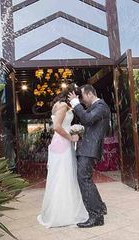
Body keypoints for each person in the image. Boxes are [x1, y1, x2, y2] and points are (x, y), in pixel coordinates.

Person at [37, 84, 88, 228]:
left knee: (60, 175)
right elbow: (57, 127)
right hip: (63, 143)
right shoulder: (64, 106)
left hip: (59, 142)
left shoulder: (58, 104)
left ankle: (60, 210)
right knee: (64, 176)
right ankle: (64, 213)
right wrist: (70, 137)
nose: (77, 99)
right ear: (71, 94)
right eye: (77, 96)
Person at [68, 84, 110, 228]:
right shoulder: (96, 106)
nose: (82, 100)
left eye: (83, 96)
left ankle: (96, 215)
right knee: (86, 179)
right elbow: (88, 121)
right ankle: (100, 207)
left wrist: (75, 103)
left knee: (84, 180)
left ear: (90, 94)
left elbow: (86, 119)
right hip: (87, 148)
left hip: (90, 149)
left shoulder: (101, 106)